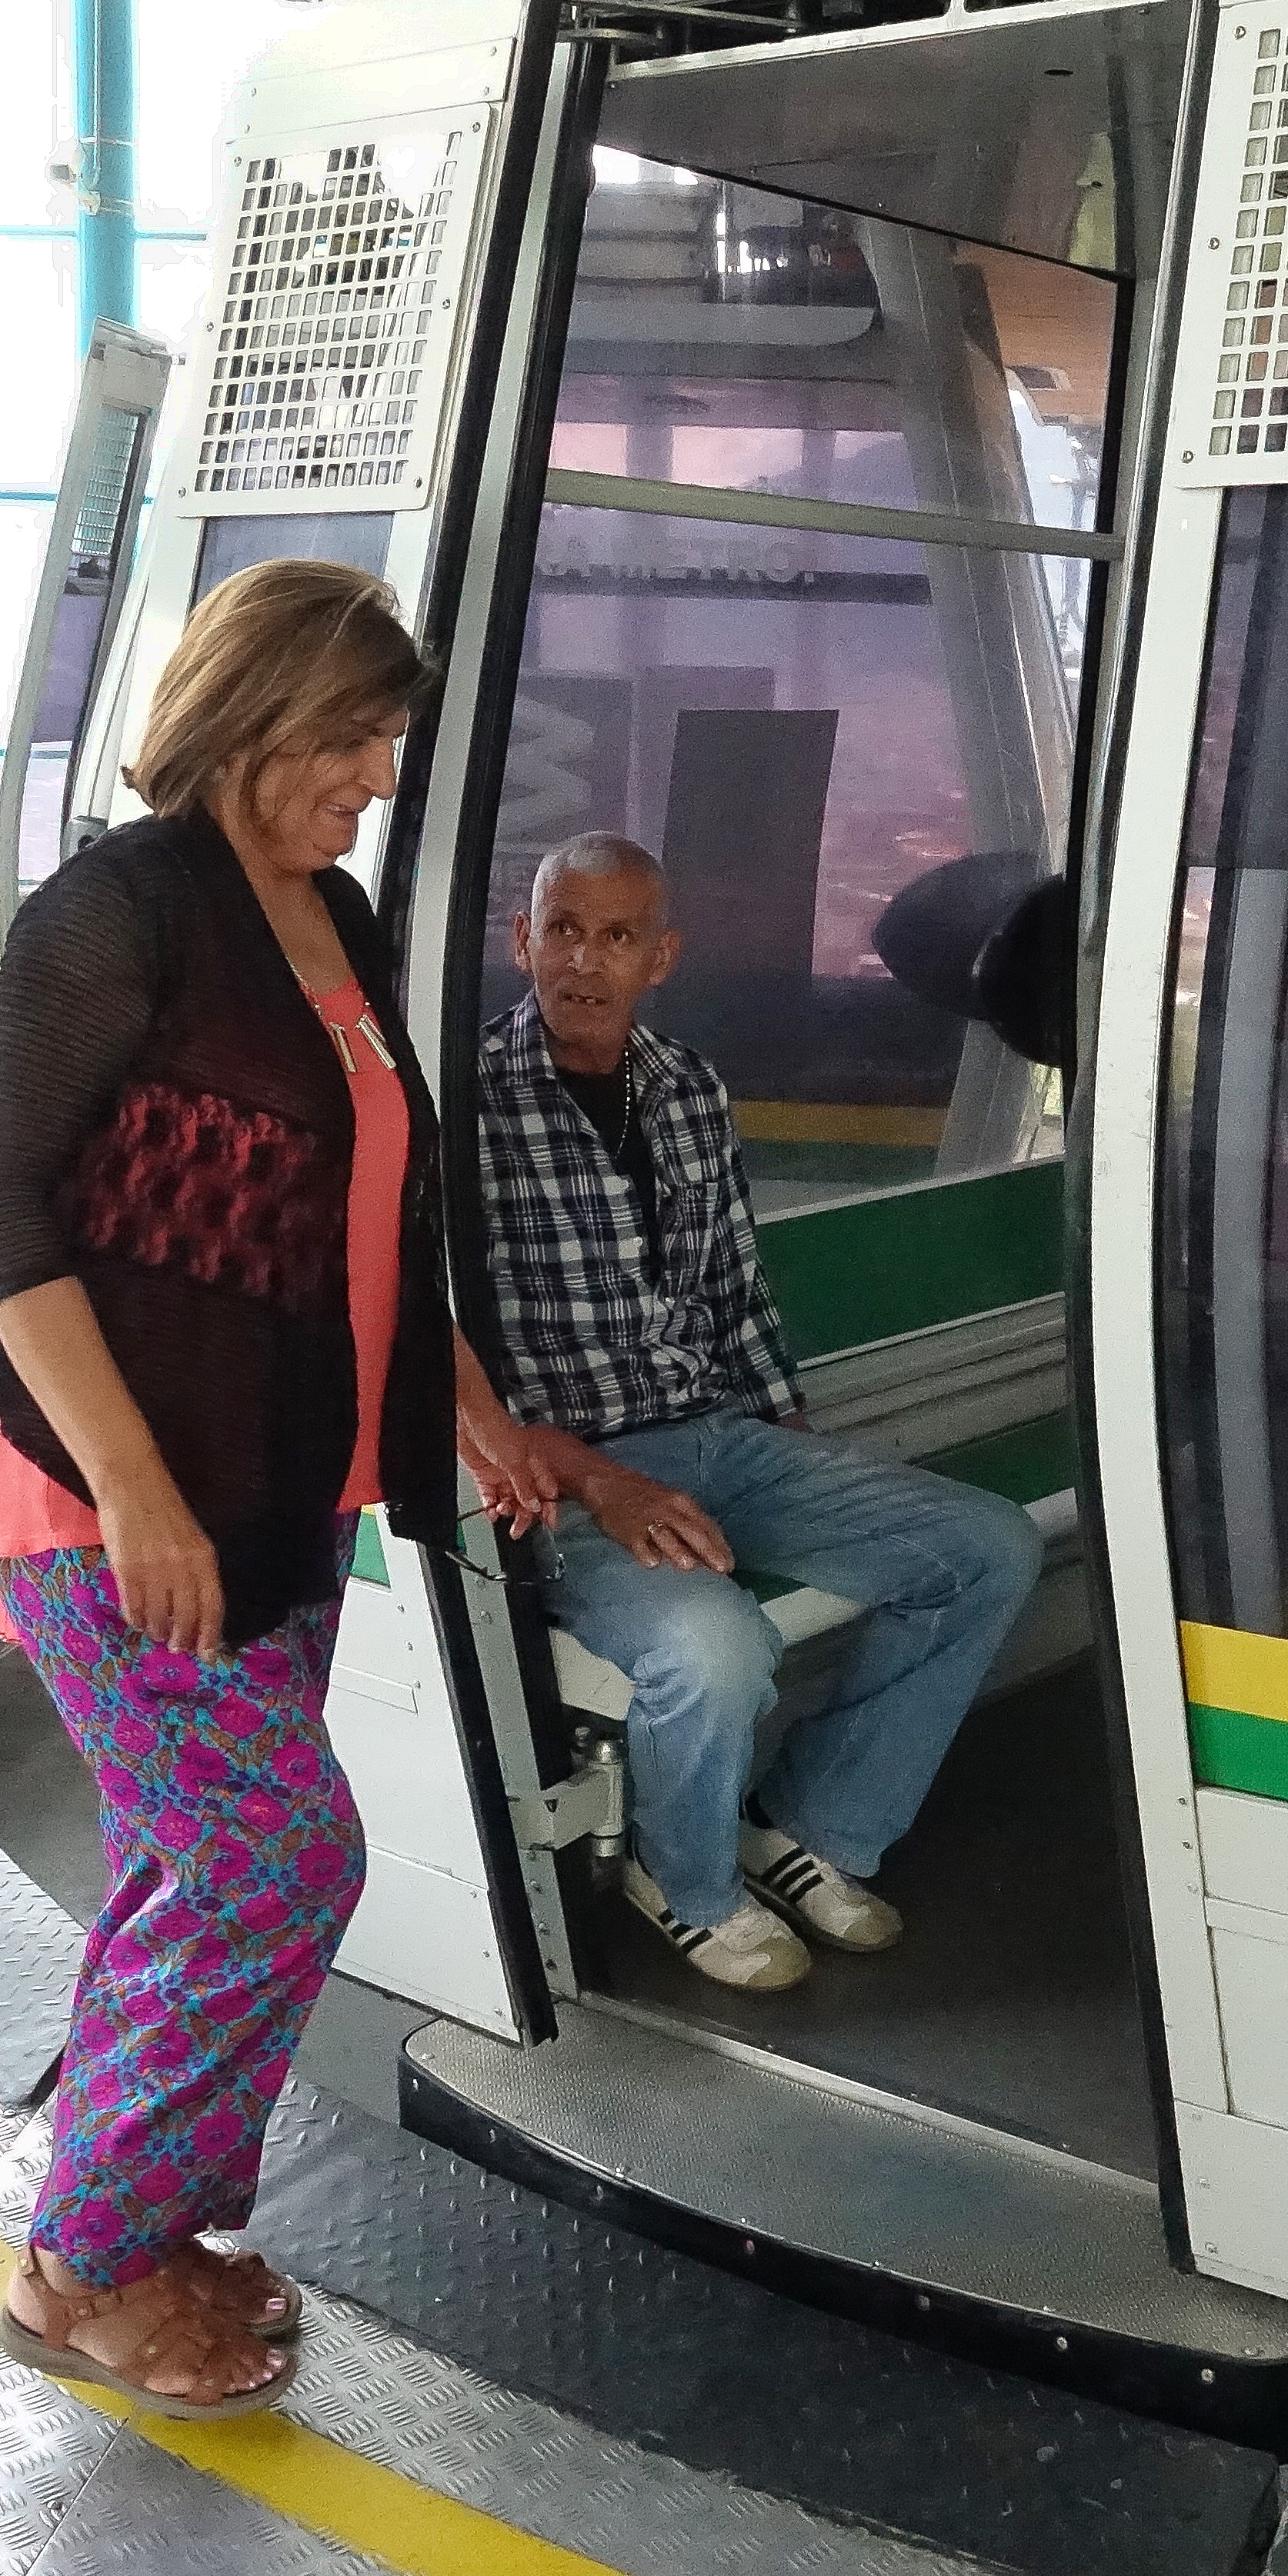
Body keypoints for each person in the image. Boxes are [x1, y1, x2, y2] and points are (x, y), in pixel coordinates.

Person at [0, 558, 547, 2421]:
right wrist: (134, 1491)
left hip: (280, 1483)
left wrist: (462, 1405)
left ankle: (158, 2215)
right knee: (273, 1855)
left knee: (184, 1863)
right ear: (251, 708)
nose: (372, 776)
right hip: (109, 1490)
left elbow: (379, 1208)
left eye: (381, 742)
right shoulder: (112, 917)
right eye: (350, 736)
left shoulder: (332, 919)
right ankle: (80, 2270)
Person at [475, 831, 1042, 1994]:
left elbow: (735, 1290)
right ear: (521, 939)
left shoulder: (685, 1086)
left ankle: (811, 1829)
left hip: (722, 1436)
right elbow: (430, 1347)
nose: (585, 960)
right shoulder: (463, 1107)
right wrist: (596, 1478)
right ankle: (684, 1881)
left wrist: (793, 1455)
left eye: (618, 936)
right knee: (715, 1646)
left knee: (984, 1547)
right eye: (564, 930)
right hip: (564, 1478)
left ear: (661, 957)